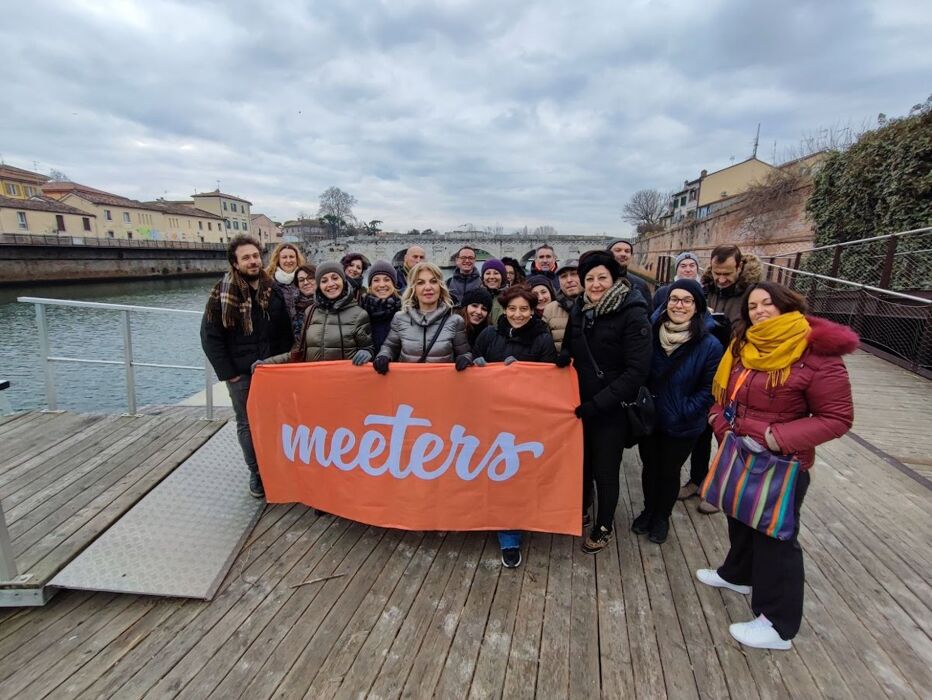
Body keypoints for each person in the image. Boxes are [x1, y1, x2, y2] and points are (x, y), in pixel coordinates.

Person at [697, 282, 856, 651]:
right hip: (739, 449)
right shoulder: (745, 345)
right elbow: (725, 394)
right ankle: (737, 574)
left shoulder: (815, 353)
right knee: (739, 516)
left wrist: (773, 436)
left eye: (768, 303)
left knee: (776, 538)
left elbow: (837, 418)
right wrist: (719, 420)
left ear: (787, 305)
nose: (760, 311)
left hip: (782, 462)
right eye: (753, 305)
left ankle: (778, 624)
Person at [558, 250, 651, 553]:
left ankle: (604, 524)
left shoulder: (632, 311)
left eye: (602, 278)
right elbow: (573, 346)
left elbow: (637, 371)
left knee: (605, 469)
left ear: (614, 279)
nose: (596, 284)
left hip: (611, 407)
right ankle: (582, 506)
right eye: (590, 279)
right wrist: (560, 359)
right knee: (581, 463)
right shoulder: (580, 309)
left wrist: (598, 404)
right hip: (580, 404)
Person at [201, 235, 293, 498]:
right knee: (247, 424)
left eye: (255, 256)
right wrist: (228, 373)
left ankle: (278, 468)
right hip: (241, 373)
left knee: (277, 421)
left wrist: (283, 364)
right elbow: (210, 337)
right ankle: (256, 473)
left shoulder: (271, 289)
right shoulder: (221, 292)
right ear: (235, 262)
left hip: (271, 370)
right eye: (246, 258)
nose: (253, 262)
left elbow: (284, 331)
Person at [472, 285, 557, 568]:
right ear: (504, 310)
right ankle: (479, 517)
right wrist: (475, 363)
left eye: (524, 309)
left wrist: (524, 372)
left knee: (511, 477)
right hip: (487, 416)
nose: (517, 315)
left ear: (533, 311)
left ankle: (510, 535)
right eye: (512, 309)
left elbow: (548, 383)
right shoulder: (488, 334)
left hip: (522, 421)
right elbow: (471, 369)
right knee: (482, 471)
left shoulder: (542, 340)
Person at [633, 279, 723, 544]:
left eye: (686, 300)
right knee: (650, 467)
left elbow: (709, 388)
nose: (679, 305)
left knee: (669, 470)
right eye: (674, 299)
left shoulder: (710, 345)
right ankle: (648, 510)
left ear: (697, 307)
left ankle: (662, 516)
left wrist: (685, 410)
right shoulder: (650, 333)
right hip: (650, 417)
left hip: (683, 421)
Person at [259, 261, 372, 365]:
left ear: (343, 280)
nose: (330, 284)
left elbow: (369, 348)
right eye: (324, 281)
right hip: (315, 382)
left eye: (335, 278)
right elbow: (299, 352)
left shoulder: (359, 314)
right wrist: (267, 363)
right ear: (319, 286)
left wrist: (367, 352)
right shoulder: (310, 312)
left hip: (344, 382)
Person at [375, 262, 473, 369]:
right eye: (420, 283)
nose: (428, 287)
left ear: (440, 286)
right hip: (408, 382)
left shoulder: (455, 320)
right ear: (413, 288)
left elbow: (465, 353)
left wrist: (465, 359)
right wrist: (383, 356)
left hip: (441, 383)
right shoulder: (400, 318)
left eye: (433, 281)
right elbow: (389, 347)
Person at [701, 244, 763, 325]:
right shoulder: (706, 289)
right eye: (717, 273)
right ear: (711, 268)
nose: (721, 280)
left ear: (739, 267)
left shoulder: (755, 294)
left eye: (727, 274)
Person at [360, 260, 402, 354]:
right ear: (370, 286)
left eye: (387, 280)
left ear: (393, 284)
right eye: (376, 280)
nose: (382, 285)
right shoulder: (360, 312)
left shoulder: (405, 312)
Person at [541, 259, 581, 352]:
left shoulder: (596, 304)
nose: (569, 280)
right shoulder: (550, 309)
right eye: (563, 276)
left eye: (574, 274)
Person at [606, 237, 653, 313]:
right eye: (618, 250)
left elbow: (648, 313)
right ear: (607, 254)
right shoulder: (598, 281)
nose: (623, 254)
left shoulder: (640, 284)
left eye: (627, 251)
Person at [266, 243, 306, 322]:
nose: (288, 260)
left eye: (291, 257)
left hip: (304, 329)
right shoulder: (268, 281)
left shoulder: (305, 279)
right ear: (278, 260)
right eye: (284, 257)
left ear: (297, 259)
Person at [291, 263, 317, 342]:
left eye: (310, 278)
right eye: (301, 280)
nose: (306, 282)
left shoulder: (327, 303)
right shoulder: (292, 306)